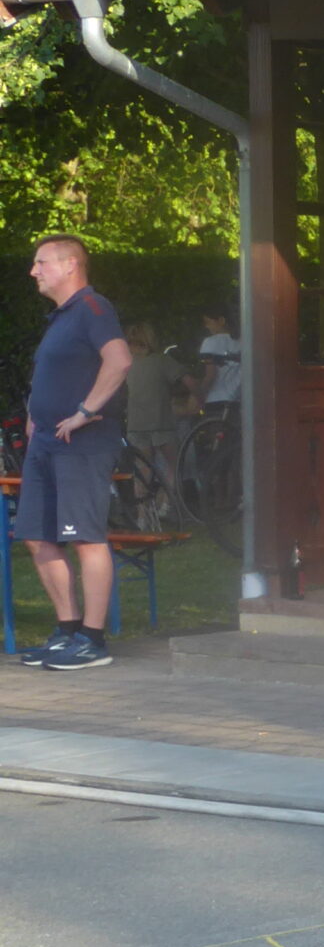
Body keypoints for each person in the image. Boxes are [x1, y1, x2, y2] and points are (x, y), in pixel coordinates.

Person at [14, 236, 131, 671]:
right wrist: (34, 413)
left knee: (85, 537)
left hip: (81, 444)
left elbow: (119, 360)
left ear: (69, 265)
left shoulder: (93, 308)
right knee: (36, 535)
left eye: (41, 262)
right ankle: (67, 631)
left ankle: (92, 641)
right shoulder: (61, 317)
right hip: (45, 442)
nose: (34, 271)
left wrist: (85, 411)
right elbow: (53, 374)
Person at [120, 318, 186, 510]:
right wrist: (199, 395)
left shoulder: (125, 365)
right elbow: (188, 381)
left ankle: (143, 516)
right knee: (174, 465)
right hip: (162, 423)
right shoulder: (162, 361)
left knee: (143, 470)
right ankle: (166, 503)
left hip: (136, 424)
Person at [196, 308, 242, 408]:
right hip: (238, 400)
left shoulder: (210, 342)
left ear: (221, 320)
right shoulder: (242, 342)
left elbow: (210, 375)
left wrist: (198, 395)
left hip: (215, 400)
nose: (206, 326)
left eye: (208, 322)